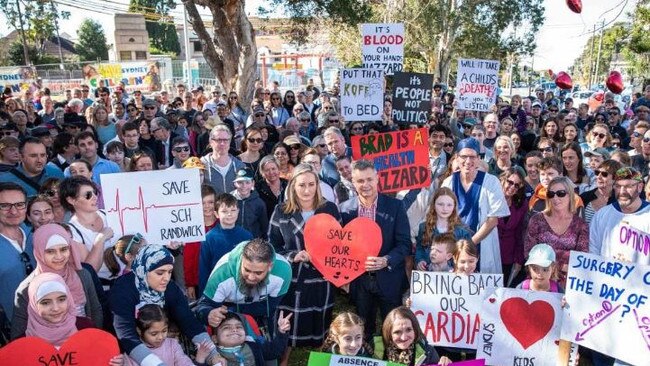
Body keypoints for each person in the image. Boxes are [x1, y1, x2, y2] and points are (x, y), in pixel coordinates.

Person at [268, 163, 341, 363]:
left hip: (321, 278)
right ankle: (282, 360)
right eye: (301, 185)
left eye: (311, 184)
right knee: (289, 324)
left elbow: (341, 244)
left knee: (320, 322)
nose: (307, 190)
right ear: (292, 186)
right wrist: (293, 256)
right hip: (293, 279)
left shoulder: (329, 208)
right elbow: (271, 246)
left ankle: (318, 360)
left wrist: (335, 269)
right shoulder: (281, 211)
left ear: (317, 185)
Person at [339, 159, 411, 344]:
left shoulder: (395, 207)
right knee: (363, 328)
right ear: (353, 183)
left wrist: (386, 260)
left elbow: (404, 244)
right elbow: (340, 250)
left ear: (377, 179)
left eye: (369, 179)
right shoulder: (345, 210)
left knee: (393, 328)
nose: (366, 185)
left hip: (389, 279)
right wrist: (342, 277)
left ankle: (394, 360)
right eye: (360, 181)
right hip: (360, 281)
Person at [110, 245, 217, 366]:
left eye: (170, 272)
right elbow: (126, 333)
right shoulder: (122, 289)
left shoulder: (170, 288)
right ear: (144, 270)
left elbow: (189, 321)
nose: (166, 278)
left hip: (164, 348)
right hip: (130, 354)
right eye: (160, 273)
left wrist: (214, 355)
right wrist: (155, 363)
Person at [11, 223, 104, 338]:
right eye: (50, 251)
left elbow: (95, 310)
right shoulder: (27, 288)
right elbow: (18, 333)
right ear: (39, 251)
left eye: (63, 249)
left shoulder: (82, 275)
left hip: (83, 342)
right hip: (45, 350)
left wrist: (95, 339)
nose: (59, 256)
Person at [195, 239, 292, 337]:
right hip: (227, 309)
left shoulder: (283, 271)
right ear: (241, 260)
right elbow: (202, 306)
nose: (251, 277)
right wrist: (208, 314)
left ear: (270, 266)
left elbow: (271, 306)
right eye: (247, 270)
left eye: (258, 273)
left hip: (243, 309)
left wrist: (232, 310)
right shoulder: (222, 273)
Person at [23, 273, 124, 365]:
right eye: (45, 302)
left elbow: (100, 356)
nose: (56, 308)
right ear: (33, 304)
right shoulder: (24, 343)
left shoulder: (85, 326)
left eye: (61, 299)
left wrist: (115, 361)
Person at [441, 137, 510, 274]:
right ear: (456, 158)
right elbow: (442, 217)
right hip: (454, 244)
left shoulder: (491, 182)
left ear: (479, 158)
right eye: (464, 156)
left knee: (484, 289)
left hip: (483, 243)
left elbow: (493, 220)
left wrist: (470, 244)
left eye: (472, 156)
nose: (468, 161)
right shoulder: (448, 183)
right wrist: (456, 247)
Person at [524, 176, 589, 287]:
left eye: (561, 193)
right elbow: (529, 253)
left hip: (569, 285)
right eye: (551, 194)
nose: (555, 198)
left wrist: (549, 262)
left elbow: (581, 260)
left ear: (570, 195)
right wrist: (561, 266)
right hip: (540, 282)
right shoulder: (536, 220)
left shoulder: (581, 225)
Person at [590, 166, 650, 266]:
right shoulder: (602, 215)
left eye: (628, 186)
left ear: (639, 187)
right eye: (618, 186)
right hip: (607, 278)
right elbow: (593, 250)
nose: (622, 192)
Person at [59, 176, 115, 280]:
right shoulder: (72, 231)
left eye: (95, 193)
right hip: (103, 287)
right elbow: (89, 271)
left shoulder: (110, 214)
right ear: (71, 200)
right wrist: (100, 240)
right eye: (88, 195)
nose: (95, 197)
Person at [198, 193, 253, 293]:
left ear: (238, 211)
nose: (229, 214)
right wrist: (205, 295)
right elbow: (204, 269)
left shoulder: (247, 236)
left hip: (242, 289)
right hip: (217, 288)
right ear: (216, 214)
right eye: (224, 211)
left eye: (233, 210)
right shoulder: (209, 238)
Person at [128, 304, 213, 366]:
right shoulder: (135, 352)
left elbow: (183, 361)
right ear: (139, 331)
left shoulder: (172, 344)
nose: (161, 337)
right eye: (154, 334)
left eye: (164, 331)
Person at [0, 182, 36, 322]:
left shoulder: (36, 235)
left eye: (19, 205)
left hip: (48, 324)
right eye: (5, 206)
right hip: (11, 329)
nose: (13, 211)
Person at [415, 187, 473, 270]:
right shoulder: (424, 227)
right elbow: (420, 248)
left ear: (454, 207)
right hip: (429, 275)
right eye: (440, 204)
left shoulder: (463, 231)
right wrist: (420, 260)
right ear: (434, 205)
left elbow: (468, 255)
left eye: (449, 205)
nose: (445, 209)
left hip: (454, 277)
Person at [210, 311, 291, 366]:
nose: (235, 330)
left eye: (239, 327)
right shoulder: (212, 355)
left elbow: (274, 351)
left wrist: (281, 332)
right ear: (215, 338)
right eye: (226, 327)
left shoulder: (254, 346)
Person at [381, 306, 451, 366]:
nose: (403, 337)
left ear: (415, 330)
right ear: (388, 333)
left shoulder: (428, 353)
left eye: (408, 330)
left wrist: (445, 363)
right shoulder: (375, 350)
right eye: (397, 332)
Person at [184, 185, 218, 300]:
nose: (207, 206)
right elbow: (189, 258)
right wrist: (190, 284)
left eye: (210, 202)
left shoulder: (222, 224)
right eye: (203, 203)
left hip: (220, 278)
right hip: (200, 281)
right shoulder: (193, 228)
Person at [498, 167, 529, 286]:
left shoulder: (521, 204)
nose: (512, 187)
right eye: (510, 182)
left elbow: (520, 234)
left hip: (508, 257)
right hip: (489, 252)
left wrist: (518, 259)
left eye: (516, 185)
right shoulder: (490, 198)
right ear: (502, 179)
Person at [200, 124, 245, 194]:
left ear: (230, 142)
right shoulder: (201, 165)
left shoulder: (240, 166)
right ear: (211, 142)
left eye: (225, 140)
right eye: (218, 140)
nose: (222, 143)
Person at [580, 160, 621, 225]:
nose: (599, 177)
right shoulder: (585, 197)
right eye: (597, 172)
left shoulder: (619, 201)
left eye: (604, 174)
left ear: (615, 178)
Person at [232, 168, 269, 239]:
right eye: (240, 182)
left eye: (247, 182)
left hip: (252, 242)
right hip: (233, 241)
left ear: (253, 183)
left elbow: (264, 227)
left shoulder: (259, 203)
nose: (244, 186)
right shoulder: (229, 200)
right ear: (235, 184)